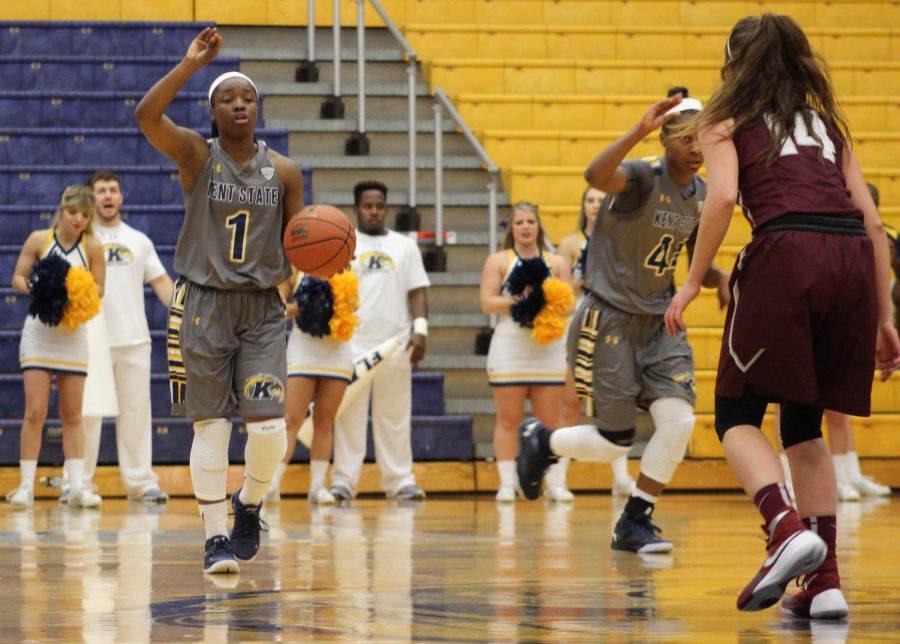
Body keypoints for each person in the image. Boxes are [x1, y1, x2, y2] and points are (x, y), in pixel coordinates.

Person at [663, 14, 900, 618]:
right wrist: (883, 316)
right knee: (802, 425)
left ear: (733, 64)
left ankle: (784, 526)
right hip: (851, 257)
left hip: (786, 250)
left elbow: (719, 198)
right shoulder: (827, 126)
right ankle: (825, 584)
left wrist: (691, 283)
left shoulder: (723, 119)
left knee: (735, 413)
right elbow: (873, 222)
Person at [516, 87, 730, 554]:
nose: (695, 151)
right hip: (608, 318)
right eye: (686, 141)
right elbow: (594, 175)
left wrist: (725, 278)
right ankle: (543, 440)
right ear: (667, 138)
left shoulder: (703, 195)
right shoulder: (641, 177)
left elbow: (699, 267)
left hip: (660, 322)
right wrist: (639, 129)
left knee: (678, 421)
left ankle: (635, 519)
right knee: (616, 441)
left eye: (701, 142)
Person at [136, 27, 305, 574]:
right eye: (227, 99)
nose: (238, 105)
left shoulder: (284, 172)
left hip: (261, 309)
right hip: (203, 305)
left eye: (247, 97)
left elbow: (298, 238)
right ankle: (213, 539)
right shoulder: (196, 154)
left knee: (270, 427)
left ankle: (249, 503)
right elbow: (146, 114)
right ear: (212, 112)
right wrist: (190, 63)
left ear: (258, 108)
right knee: (211, 427)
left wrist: (311, 269)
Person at [58, 170, 175, 505]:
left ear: (121, 197)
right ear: (90, 199)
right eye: (100, 191)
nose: (107, 196)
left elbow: (162, 284)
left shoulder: (139, 240)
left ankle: (141, 483)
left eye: (112, 190)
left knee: (137, 414)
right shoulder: (78, 241)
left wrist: (186, 312)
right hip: (89, 340)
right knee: (87, 414)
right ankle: (76, 482)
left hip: (133, 339)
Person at [329, 181, 430, 502]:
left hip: (396, 344)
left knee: (395, 417)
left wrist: (421, 330)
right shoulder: (344, 244)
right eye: (368, 206)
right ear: (356, 208)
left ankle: (400, 480)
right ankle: (344, 481)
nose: (374, 211)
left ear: (386, 209)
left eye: (380, 206)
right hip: (353, 343)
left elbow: (417, 291)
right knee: (349, 416)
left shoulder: (405, 246)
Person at [6, 185, 105, 509]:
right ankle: (24, 487)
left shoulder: (91, 245)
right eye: (73, 212)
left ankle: (76, 486)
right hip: (39, 334)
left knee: (72, 414)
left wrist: (79, 295)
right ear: (62, 210)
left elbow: (99, 288)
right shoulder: (39, 239)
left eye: (85, 215)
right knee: (35, 412)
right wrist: (41, 289)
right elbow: (18, 278)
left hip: (73, 335)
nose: (78, 219)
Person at [480, 202, 574, 502]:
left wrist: (546, 299)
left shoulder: (557, 263)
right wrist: (521, 300)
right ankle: (507, 484)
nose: (525, 227)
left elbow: (569, 304)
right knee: (507, 419)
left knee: (551, 421)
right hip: (510, 348)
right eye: (519, 222)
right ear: (512, 228)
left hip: (547, 348)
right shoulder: (498, 261)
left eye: (530, 221)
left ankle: (555, 482)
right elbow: (487, 303)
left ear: (538, 226)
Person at [557, 186, 636, 497]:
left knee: (617, 401)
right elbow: (562, 295)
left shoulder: (622, 239)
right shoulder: (568, 244)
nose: (594, 205)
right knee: (571, 401)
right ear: (583, 204)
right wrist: (578, 284)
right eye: (589, 199)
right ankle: (558, 478)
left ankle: (620, 478)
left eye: (601, 200)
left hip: (614, 324)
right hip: (580, 321)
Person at [265, 269, 356, 505]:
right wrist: (303, 306)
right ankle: (272, 484)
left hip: (337, 352)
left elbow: (353, 306)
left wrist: (331, 304)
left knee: (325, 422)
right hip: (303, 352)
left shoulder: (345, 266)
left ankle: (317, 486)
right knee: (290, 420)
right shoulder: (295, 268)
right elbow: (277, 307)